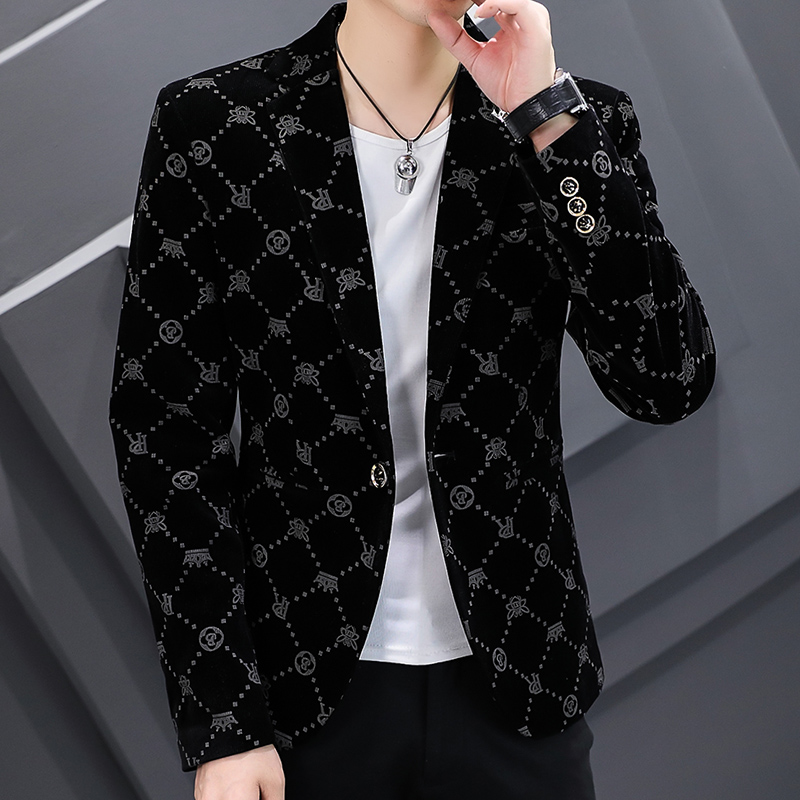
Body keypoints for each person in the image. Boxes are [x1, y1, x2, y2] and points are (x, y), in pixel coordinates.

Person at [109, 0, 716, 797]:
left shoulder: (572, 124)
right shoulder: (215, 124)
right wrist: (225, 720)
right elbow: (165, 434)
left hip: (519, 673)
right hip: (303, 692)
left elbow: (666, 380)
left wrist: (544, 117)